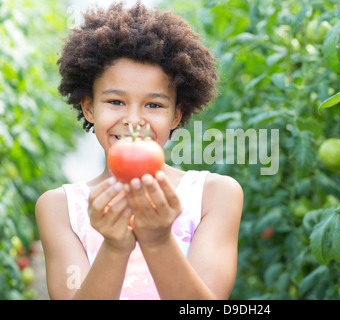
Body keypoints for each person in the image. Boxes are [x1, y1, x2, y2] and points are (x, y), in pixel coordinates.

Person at [35, 1, 243, 300]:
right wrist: (115, 246)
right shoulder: (60, 207)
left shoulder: (214, 195)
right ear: (89, 107)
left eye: (154, 105)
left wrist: (158, 241)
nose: (133, 121)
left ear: (176, 115)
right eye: (115, 102)